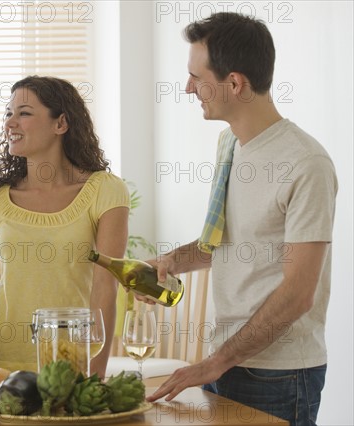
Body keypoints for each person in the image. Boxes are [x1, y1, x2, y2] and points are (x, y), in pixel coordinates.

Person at [145, 12, 337, 426]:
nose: (188, 87)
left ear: (235, 83)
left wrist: (214, 363)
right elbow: (222, 241)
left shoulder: (306, 163)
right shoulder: (229, 143)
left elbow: (299, 292)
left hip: (279, 374)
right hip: (226, 363)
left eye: (197, 77)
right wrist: (169, 263)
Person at [0, 76, 130, 384]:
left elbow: (105, 289)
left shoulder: (105, 189)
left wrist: (95, 375)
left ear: (61, 123)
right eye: (7, 113)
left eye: (23, 113)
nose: (10, 122)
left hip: (69, 368)